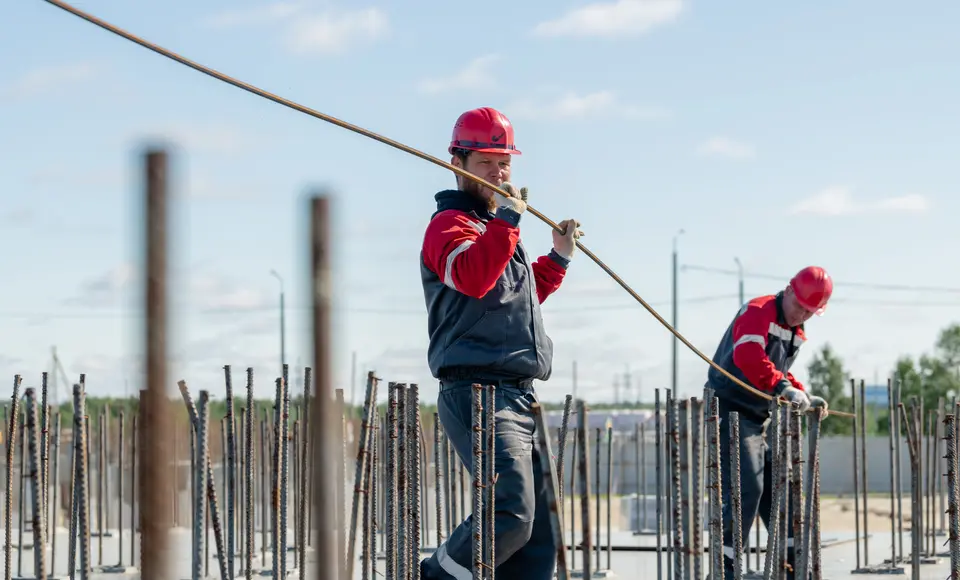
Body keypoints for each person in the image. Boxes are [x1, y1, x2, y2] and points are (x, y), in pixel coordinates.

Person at [418, 106, 581, 579]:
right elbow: (472, 277)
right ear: (458, 163)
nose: (498, 172)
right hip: (479, 391)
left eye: (504, 162)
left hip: (517, 394)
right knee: (508, 513)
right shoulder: (449, 226)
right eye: (486, 162)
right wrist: (508, 220)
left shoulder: (496, 231)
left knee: (537, 531)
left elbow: (516, 298)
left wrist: (558, 258)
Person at [706, 265, 833, 580]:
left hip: (758, 417)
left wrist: (802, 392)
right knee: (747, 487)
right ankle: (724, 568)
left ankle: (790, 564)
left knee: (780, 490)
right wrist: (783, 389)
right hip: (730, 412)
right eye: (799, 307)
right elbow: (749, 356)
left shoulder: (795, 332)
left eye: (809, 312)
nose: (800, 315)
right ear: (789, 290)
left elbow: (778, 370)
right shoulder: (757, 311)